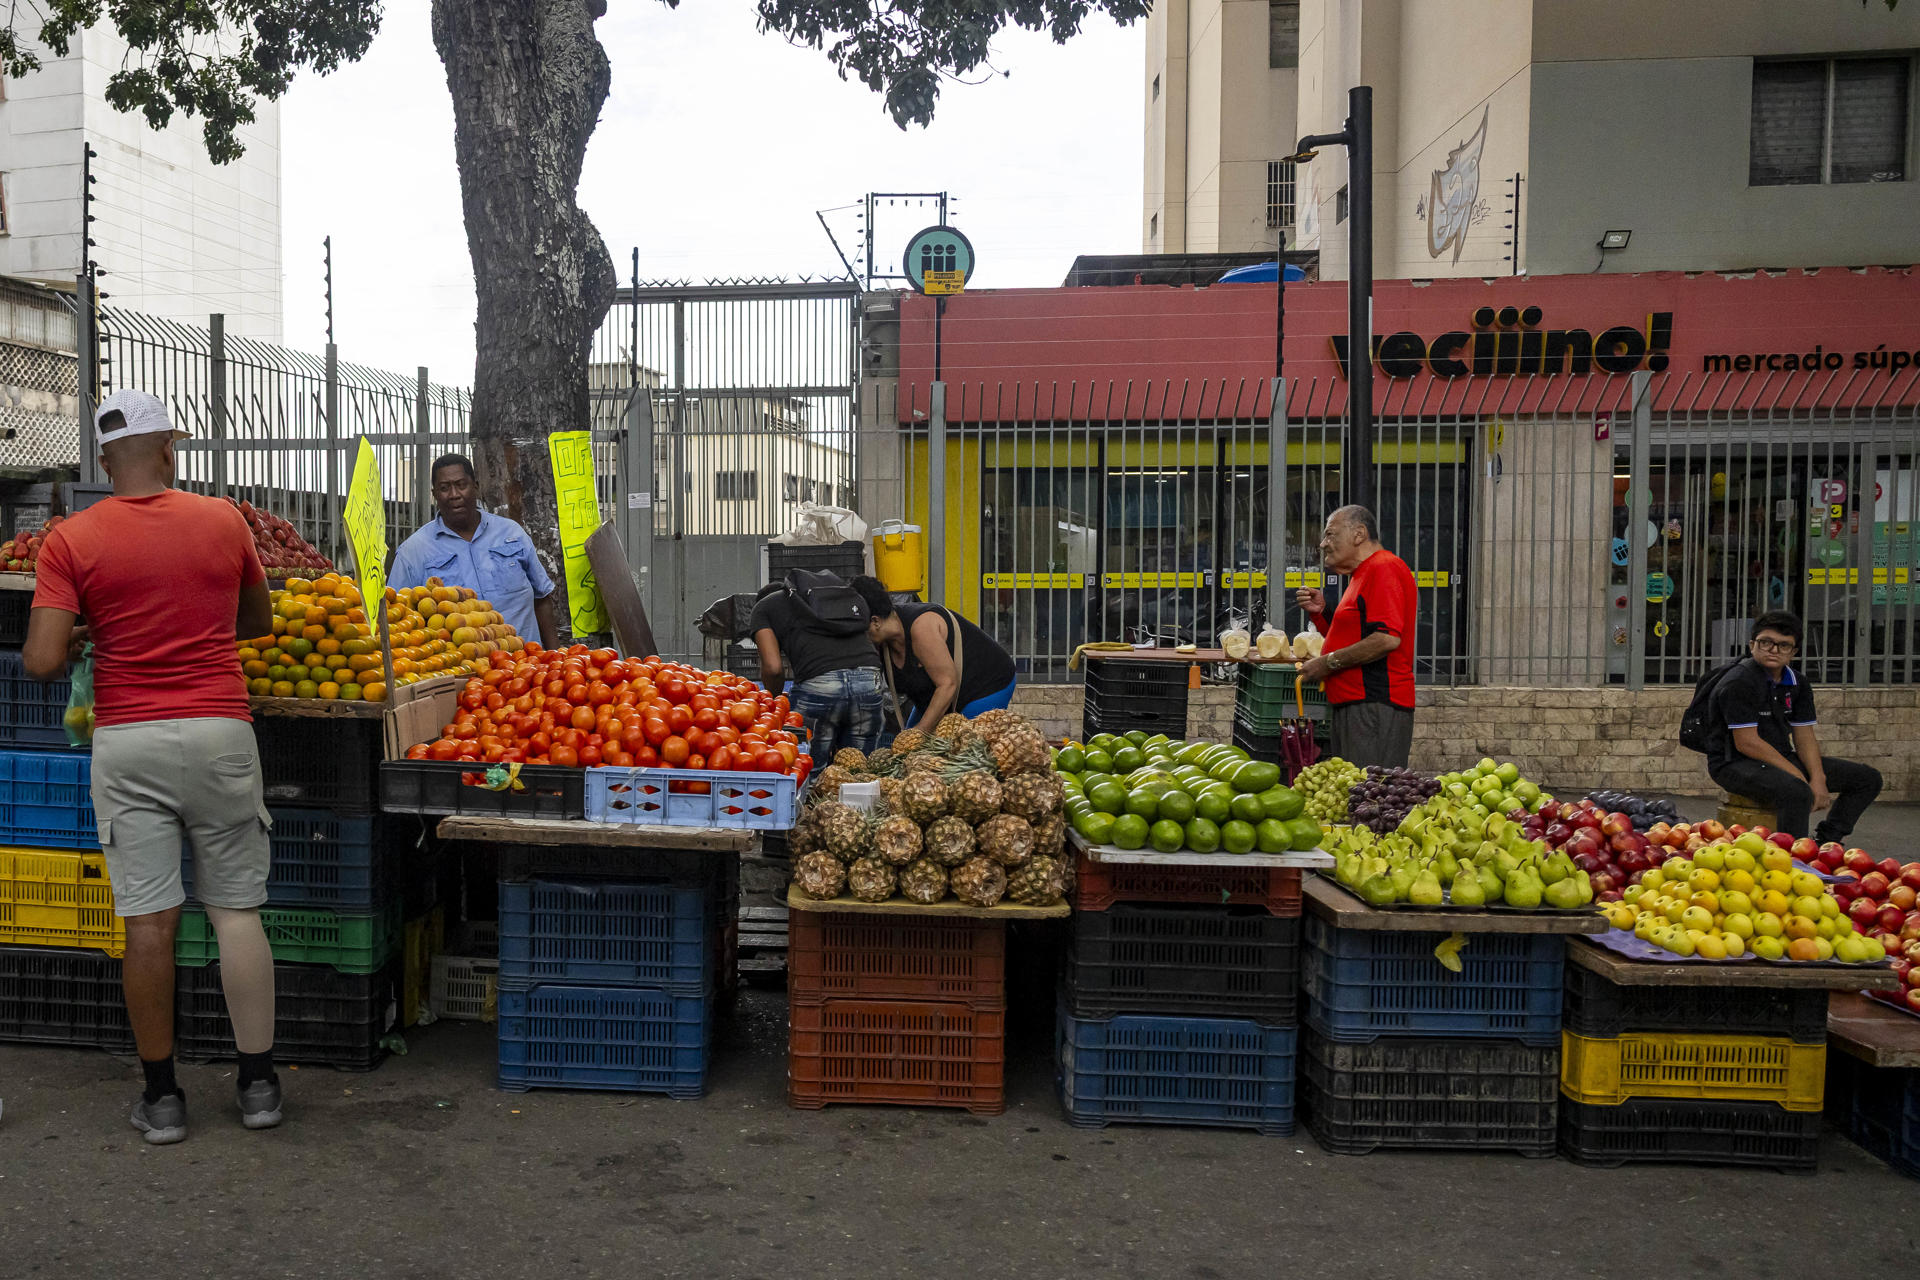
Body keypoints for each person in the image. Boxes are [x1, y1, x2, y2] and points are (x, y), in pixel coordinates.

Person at [23, 390, 283, 1144]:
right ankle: (260, 1087)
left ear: (104, 462)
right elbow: (258, 624)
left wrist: (82, 639)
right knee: (236, 910)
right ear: (169, 449)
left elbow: (41, 659)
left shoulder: (71, 538)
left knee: (149, 923)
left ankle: (163, 1099)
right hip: (218, 730)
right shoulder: (223, 519)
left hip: (129, 739)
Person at [1706, 610, 1882, 843]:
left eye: (1783, 645)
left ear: (1794, 652)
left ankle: (1826, 842)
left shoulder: (1797, 682)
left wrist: (1818, 778)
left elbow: (1804, 736)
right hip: (1734, 763)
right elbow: (1747, 742)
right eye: (1766, 642)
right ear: (1752, 645)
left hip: (1780, 758)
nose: (1774, 650)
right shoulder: (1740, 682)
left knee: (1867, 779)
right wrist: (1800, 777)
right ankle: (1793, 858)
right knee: (1797, 792)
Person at [389, 453, 560, 649]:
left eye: (461, 485)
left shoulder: (512, 533)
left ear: (476, 487)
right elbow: (397, 617)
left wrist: (555, 656)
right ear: (434, 494)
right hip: (464, 672)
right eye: (444, 488)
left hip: (528, 666)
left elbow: (542, 599)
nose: (454, 494)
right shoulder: (413, 551)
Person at [1294, 504, 1418, 768]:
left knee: (1370, 795)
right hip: (1358, 705)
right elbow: (1357, 637)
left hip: (1374, 705)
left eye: (1330, 534)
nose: (1323, 543)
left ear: (1359, 534)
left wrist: (1325, 664)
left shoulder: (1383, 568)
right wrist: (1323, 613)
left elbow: (1386, 639)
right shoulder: (1361, 575)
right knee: (1357, 794)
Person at [748, 576, 887, 762]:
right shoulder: (820, 597)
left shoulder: (762, 608)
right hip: (868, 680)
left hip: (820, 682)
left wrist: (772, 704)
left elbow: (773, 668)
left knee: (809, 770)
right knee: (857, 769)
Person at [852, 576, 1018, 729]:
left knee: (962, 748)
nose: (858, 636)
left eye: (859, 629)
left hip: (985, 685)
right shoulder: (884, 643)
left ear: (875, 621)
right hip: (932, 695)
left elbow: (947, 684)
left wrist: (920, 732)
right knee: (909, 750)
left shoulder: (921, 628)